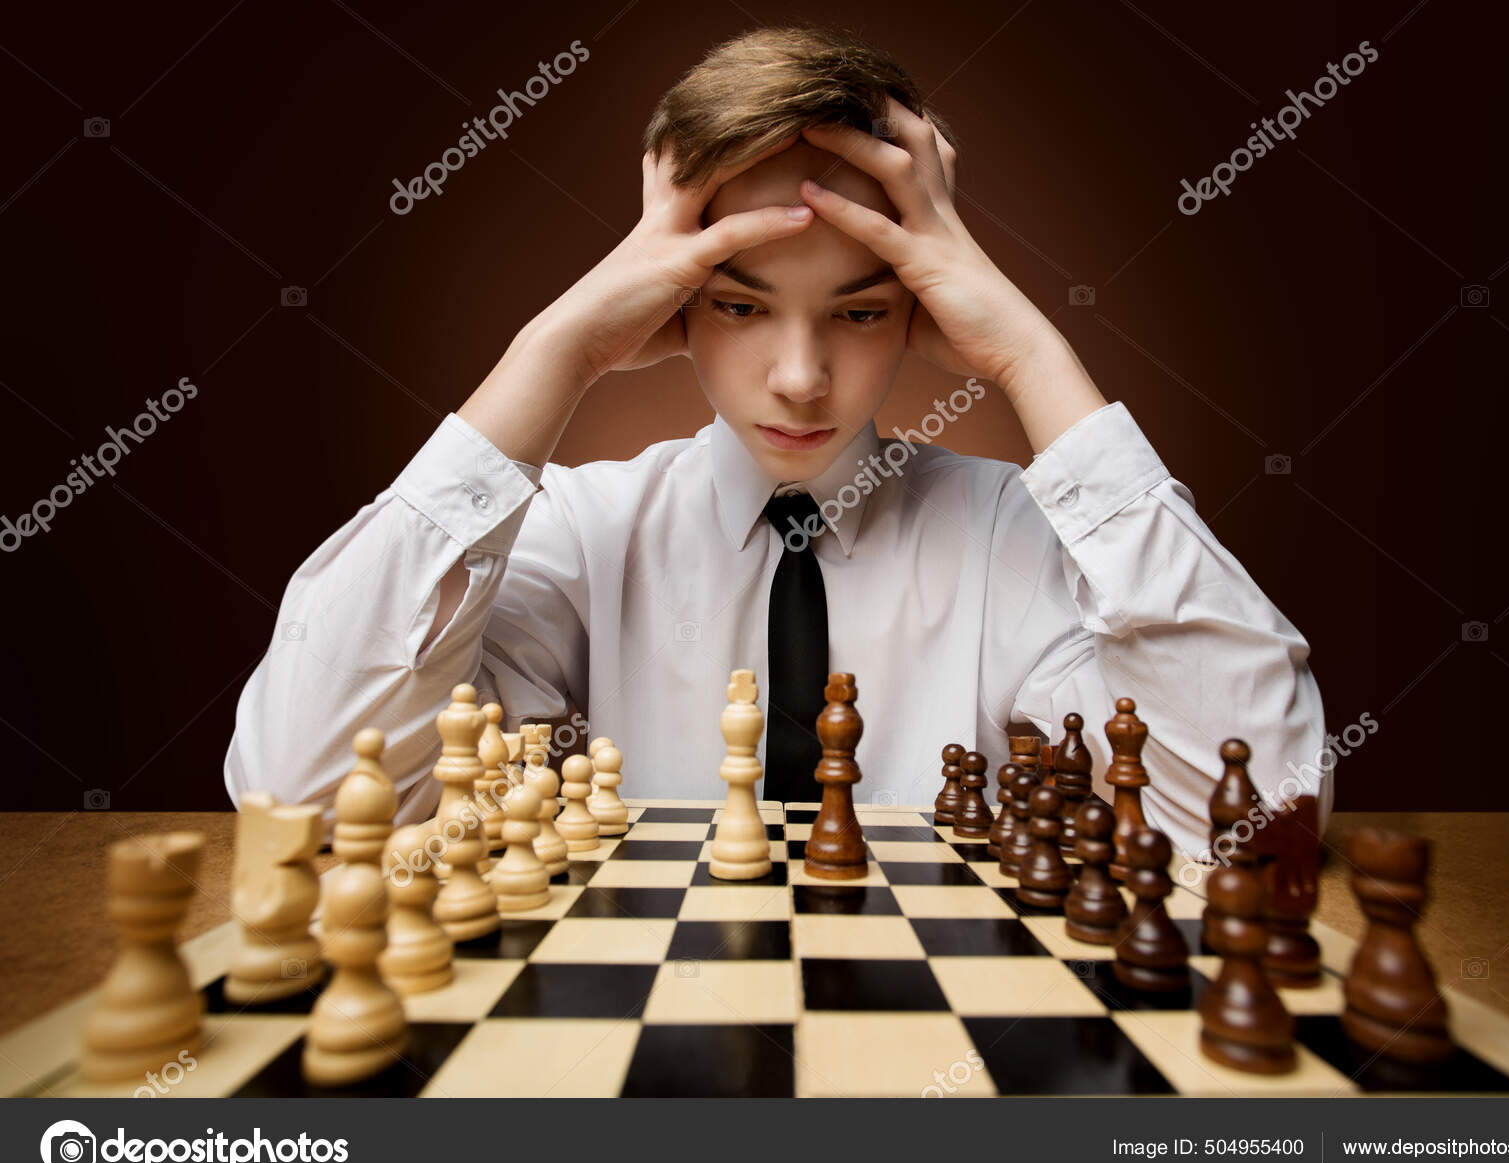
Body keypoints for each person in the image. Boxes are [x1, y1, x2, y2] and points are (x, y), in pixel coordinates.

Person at [225, 25, 1330, 863]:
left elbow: (1261, 818)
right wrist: (549, 353)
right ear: (670, 303)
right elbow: (304, 796)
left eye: (857, 311)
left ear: (922, 307)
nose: (799, 377)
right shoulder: (576, 533)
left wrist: (1037, 358)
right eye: (741, 305)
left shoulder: (1014, 541)